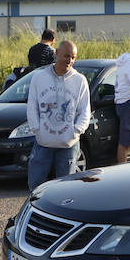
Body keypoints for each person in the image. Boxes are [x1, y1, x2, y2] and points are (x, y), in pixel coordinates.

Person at [26, 39, 91, 189]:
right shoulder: (39, 78)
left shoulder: (80, 80)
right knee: (35, 186)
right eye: (66, 56)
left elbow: (84, 111)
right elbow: (32, 106)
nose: (69, 60)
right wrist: (37, 129)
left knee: (66, 188)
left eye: (73, 57)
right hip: (43, 143)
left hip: (68, 144)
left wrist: (75, 131)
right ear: (57, 53)